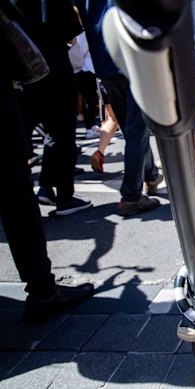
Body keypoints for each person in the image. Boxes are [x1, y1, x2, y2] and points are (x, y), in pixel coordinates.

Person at [0, 2, 94, 323]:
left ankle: (50, 188)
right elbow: (67, 26)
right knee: (14, 183)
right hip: (43, 61)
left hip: (29, 68)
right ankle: (42, 289)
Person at [74, 0, 163, 216]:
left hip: (105, 61)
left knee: (132, 127)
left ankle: (150, 174)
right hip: (133, 57)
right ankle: (131, 195)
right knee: (136, 129)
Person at [15, 0, 93, 216]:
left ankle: (45, 187)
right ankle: (64, 196)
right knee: (61, 131)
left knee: (22, 135)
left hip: (21, 69)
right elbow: (70, 29)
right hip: (52, 64)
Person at [90, 79, 120, 173]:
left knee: (112, 118)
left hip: (104, 78)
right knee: (134, 120)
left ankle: (100, 152)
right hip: (124, 77)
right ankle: (146, 173)